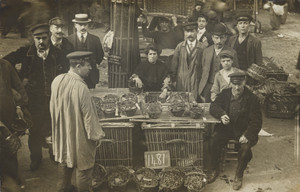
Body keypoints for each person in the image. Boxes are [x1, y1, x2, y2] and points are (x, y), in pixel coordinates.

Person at [3, 23, 68, 171]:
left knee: (56, 128)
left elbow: (66, 74)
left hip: (55, 100)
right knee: (35, 131)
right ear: (33, 39)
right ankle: (36, 159)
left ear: (49, 38)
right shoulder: (26, 52)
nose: (41, 42)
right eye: (37, 38)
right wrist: (19, 78)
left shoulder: (59, 54)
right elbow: (5, 62)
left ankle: (55, 154)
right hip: (34, 101)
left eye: (44, 38)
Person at [50, 51, 105, 192]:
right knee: (84, 169)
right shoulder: (82, 88)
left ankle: (63, 189)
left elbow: (53, 107)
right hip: (79, 136)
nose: (91, 68)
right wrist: (96, 136)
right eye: (88, 65)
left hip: (63, 133)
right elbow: (89, 118)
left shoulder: (57, 80)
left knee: (64, 161)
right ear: (78, 66)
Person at [208, 71, 262, 190]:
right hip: (226, 129)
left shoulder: (252, 98)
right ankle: (214, 169)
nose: (237, 88)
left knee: (245, 149)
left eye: (240, 84)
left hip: (243, 131)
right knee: (213, 141)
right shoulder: (225, 94)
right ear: (231, 83)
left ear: (244, 82)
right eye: (234, 84)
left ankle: (238, 175)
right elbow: (213, 106)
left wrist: (247, 135)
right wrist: (221, 114)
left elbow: (257, 121)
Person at [0, 59, 28, 190]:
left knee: (10, 146)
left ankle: (12, 178)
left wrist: (18, 105)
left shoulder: (5, 65)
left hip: (7, 115)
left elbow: (17, 86)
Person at [198, 23, 238, 102]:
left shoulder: (232, 52)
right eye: (216, 38)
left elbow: (235, 73)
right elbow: (202, 70)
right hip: (208, 86)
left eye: (221, 38)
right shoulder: (206, 51)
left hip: (224, 87)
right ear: (212, 38)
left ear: (226, 38)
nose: (219, 41)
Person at [170, 22, 206, 101]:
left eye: (192, 31)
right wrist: (174, 80)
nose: (190, 34)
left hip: (196, 80)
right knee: (181, 101)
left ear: (197, 32)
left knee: (194, 102)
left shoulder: (202, 47)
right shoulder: (180, 47)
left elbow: (205, 67)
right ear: (184, 33)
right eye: (187, 31)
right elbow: (174, 65)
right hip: (181, 80)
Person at [67, 13, 104, 88]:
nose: (83, 27)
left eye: (85, 25)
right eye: (80, 25)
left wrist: (92, 65)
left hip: (91, 76)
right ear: (75, 25)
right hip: (75, 76)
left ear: (88, 25)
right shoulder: (68, 40)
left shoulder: (95, 39)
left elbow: (100, 55)